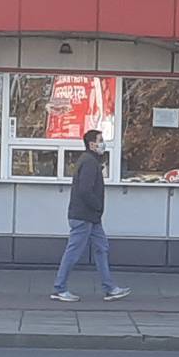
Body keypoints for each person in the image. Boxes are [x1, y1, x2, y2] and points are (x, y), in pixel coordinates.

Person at [51, 130, 131, 303]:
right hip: (84, 216)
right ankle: (60, 288)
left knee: (101, 248)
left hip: (90, 217)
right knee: (73, 252)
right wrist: (98, 206)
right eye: (100, 140)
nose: (103, 144)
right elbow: (85, 190)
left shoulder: (90, 161)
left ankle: (110, 288)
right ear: (92, 144)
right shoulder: (89, 163)